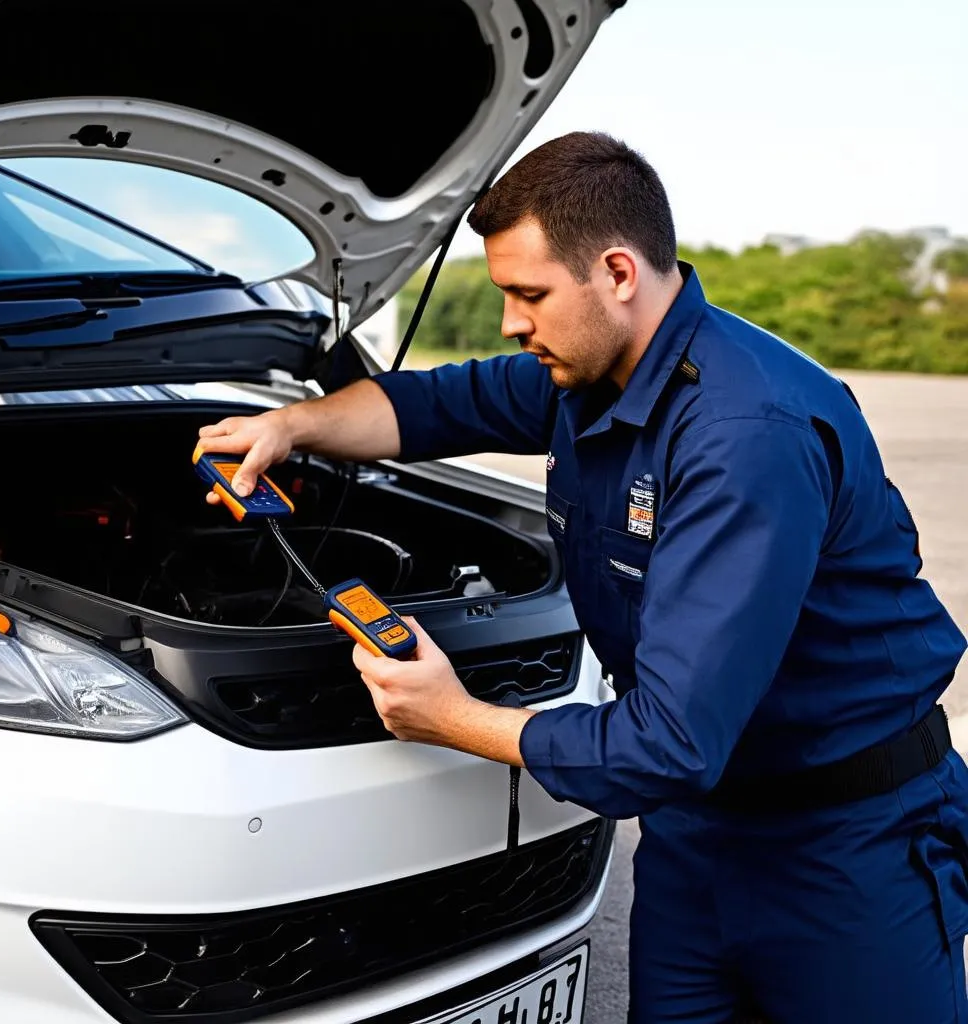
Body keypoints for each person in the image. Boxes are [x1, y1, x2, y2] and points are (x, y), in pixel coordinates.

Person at [196, 131, 968, 1023]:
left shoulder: (745, 433)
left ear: (618, 273)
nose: (512, 323)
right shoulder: (585, 373)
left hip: (844, 848)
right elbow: (434, 405)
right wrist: (292, 426)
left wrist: (455, 720)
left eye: (528, 294)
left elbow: (667, 742)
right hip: (694, 833)